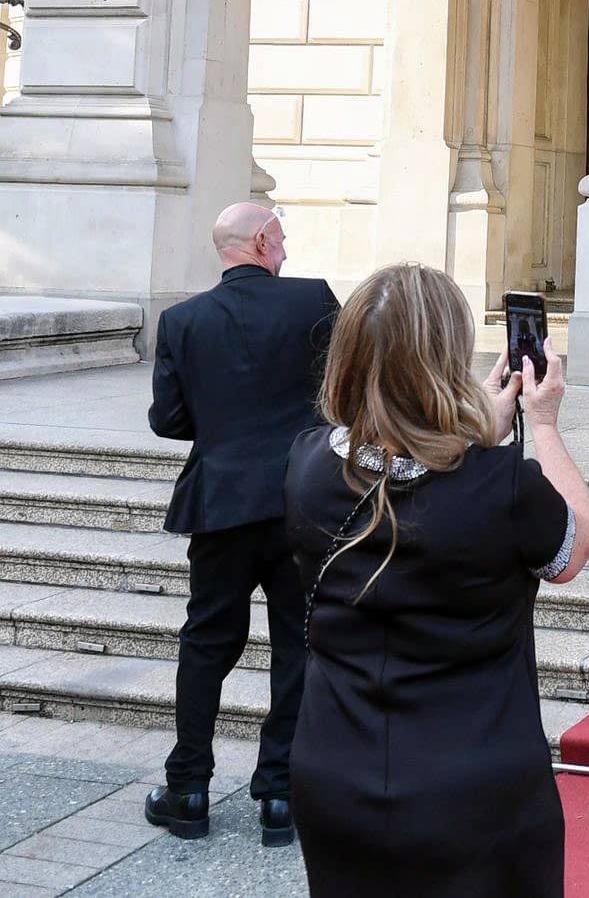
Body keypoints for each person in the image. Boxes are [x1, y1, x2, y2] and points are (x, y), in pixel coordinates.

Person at [285, 263, 589, 898]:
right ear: (446, 359)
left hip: (335, 767)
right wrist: (542, 427)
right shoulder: (500, 485)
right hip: (473, 781)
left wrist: (476, 427)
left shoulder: (307, 463)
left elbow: (398, 469)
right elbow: (574, 545)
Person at [144, 202, 338, 847]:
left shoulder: (181, 320)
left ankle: (189, 788)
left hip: (221, 504)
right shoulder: (313, 302)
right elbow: (346, 393)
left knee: (206, 643)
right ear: (260, 240)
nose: (286, 246)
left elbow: (168, 421)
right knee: (297, 643)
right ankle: (280, 795)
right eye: (281, 236)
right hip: (301, 504)